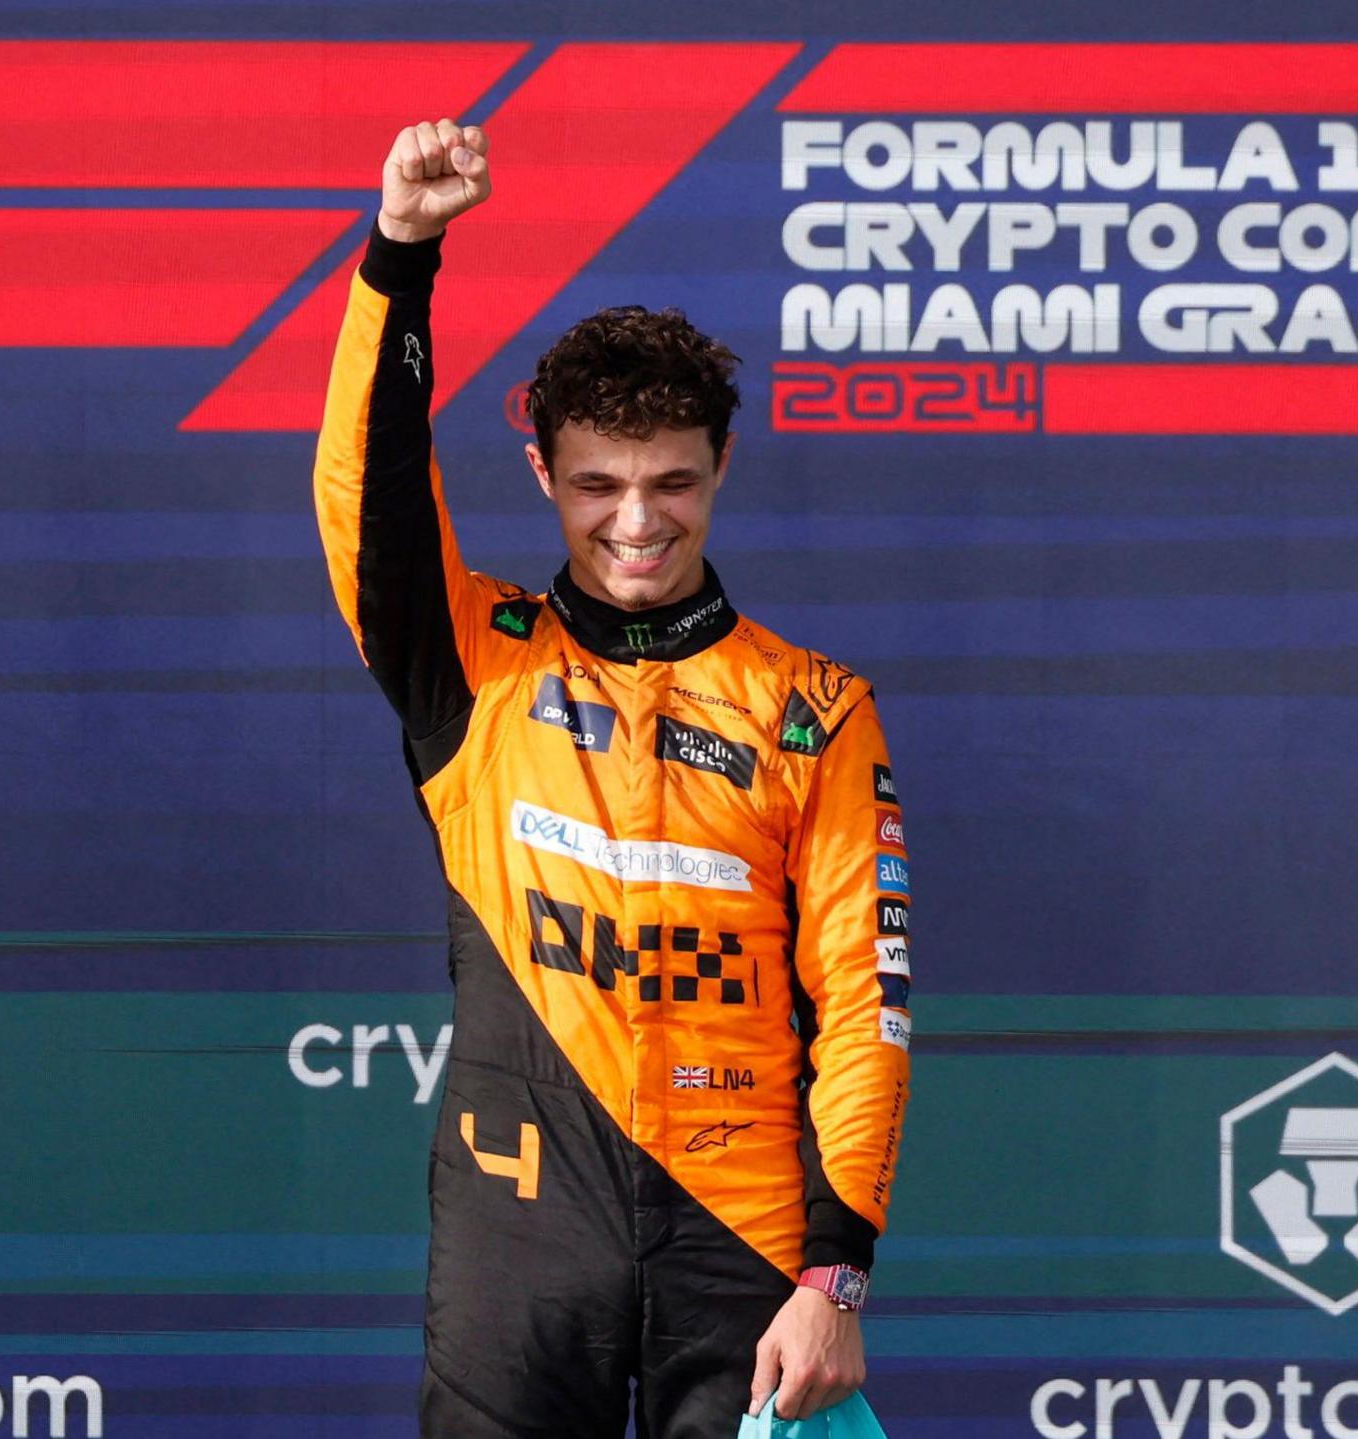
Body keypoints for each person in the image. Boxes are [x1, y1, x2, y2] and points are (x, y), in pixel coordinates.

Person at [314, 117, 912, 1438]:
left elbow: (866, 1006)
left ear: (722, 469)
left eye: (670, 484)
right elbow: (368, 504)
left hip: (744, 1243)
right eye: (596, 486)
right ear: (542, 471)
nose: (636, 522)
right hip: (519, 1232)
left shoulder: (814, 710)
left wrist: (836, 1273)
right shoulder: (471, 662)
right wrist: (401, 257)